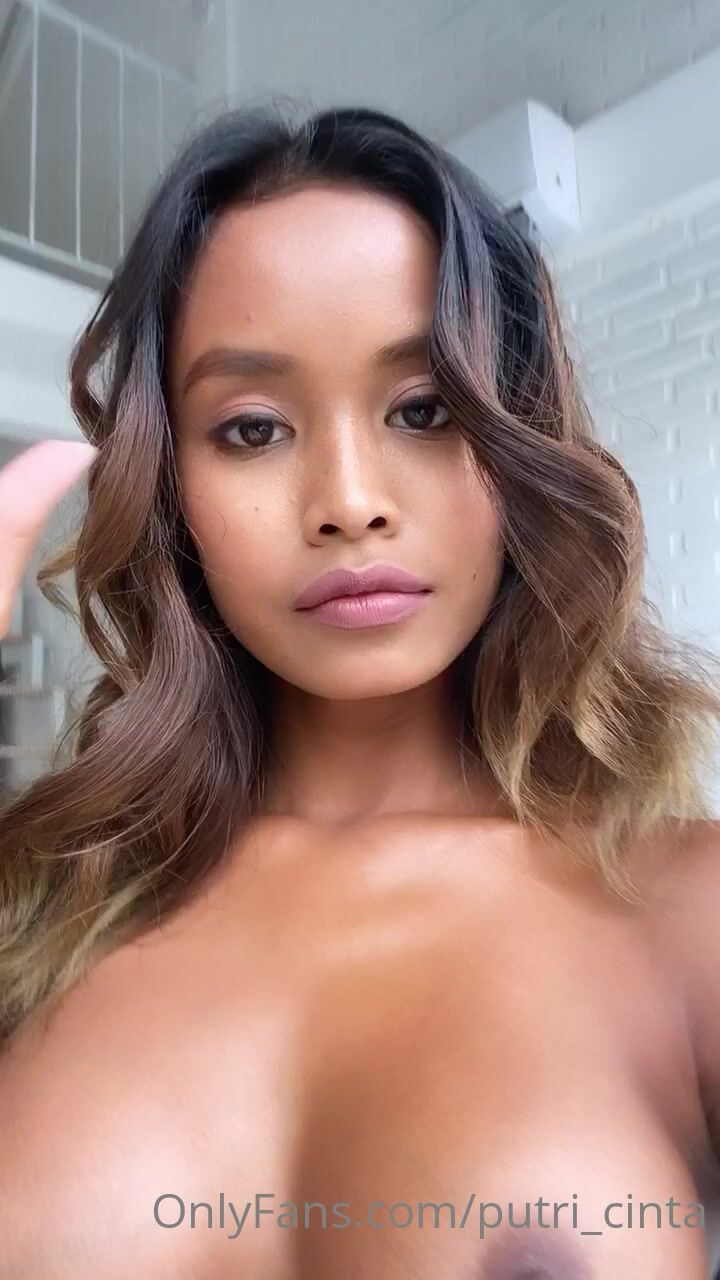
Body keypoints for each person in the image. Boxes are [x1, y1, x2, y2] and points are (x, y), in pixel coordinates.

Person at [0, 100, 719, 1280]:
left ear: (521, 442)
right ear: (170, 488)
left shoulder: (688, 911)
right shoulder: (38, 906)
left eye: (424, 409)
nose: (348, 500)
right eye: (253, 429)